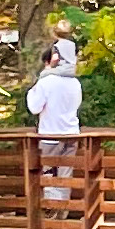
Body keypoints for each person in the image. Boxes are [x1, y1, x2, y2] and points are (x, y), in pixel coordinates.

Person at [24, 36, 82, 168]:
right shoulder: (75, 83)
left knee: (49, 175)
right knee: (66, 176)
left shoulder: (46, 82)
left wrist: (31, 92)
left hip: (50, 135)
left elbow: (34, 107)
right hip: (72, 134)